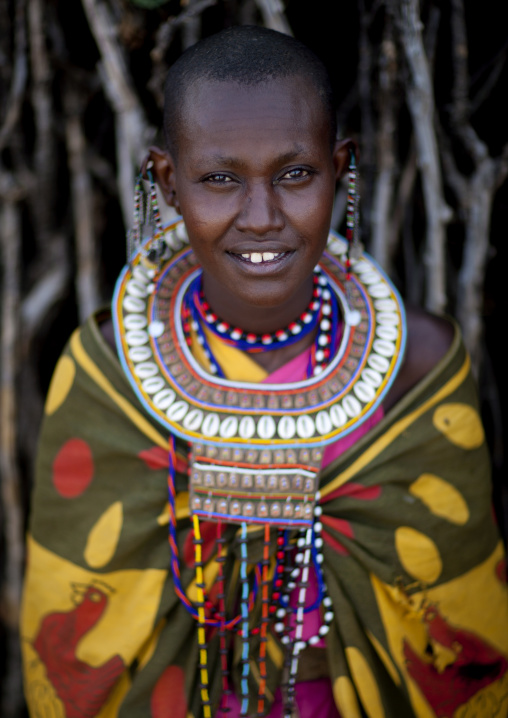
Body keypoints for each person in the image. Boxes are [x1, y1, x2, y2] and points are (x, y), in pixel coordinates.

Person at [21, 25, 508, 718]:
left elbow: (461, 639)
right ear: (167, 181)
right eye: (220, 179)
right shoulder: (112, 372)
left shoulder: (417, 367)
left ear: (340, 168)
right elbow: (73, 648)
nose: (260, 217)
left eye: (295, 175)